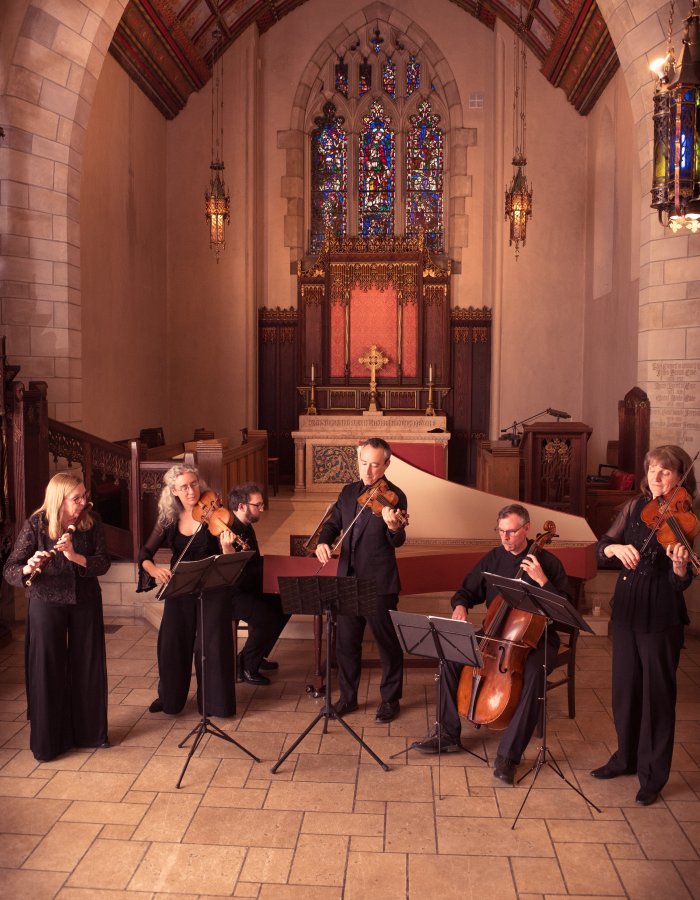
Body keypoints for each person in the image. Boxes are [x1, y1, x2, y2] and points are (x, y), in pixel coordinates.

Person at [413, 503, 573, 785]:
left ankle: (509, 756)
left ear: (526, 528)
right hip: (495, 634)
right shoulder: (493, 558)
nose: (505, 538)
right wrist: (460, 605)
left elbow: (566, 613)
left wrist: (543, 582)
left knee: (534, 673)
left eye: (511, 531)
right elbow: (465, 591)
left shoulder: (548, 563)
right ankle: (447, 734)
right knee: (450, 655)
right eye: (500, 531)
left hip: (537, 638)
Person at [590, 445, 696, 806]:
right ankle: (625, 758)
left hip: (660, 613)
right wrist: (614, 551)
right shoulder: (634, 507)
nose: (656, 476)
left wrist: (681, 568)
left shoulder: (683, 516)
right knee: (625, 690)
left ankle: (653, 775)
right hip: (627, 610)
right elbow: (600, 545)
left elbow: (680, 583)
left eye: (665, 471)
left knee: (657, 697)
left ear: (680, 477)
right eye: (652, 469)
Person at [3, 473, 110, 762]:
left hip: (84, 599)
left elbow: (103, 562)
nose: (83, 502)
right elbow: (10, 568)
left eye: (84, 496)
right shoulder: (37, 523)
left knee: (87, 664)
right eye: (76, 498)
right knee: (46, 668)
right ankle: (49, 742)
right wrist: (28, 567)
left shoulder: (91, 521)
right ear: (59, 500)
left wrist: (76, 557)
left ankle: (89, 734)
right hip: (45, 601)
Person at [315, 437, 407, 723]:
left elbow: (398, 538)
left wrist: (393, 527)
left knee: (386, 643)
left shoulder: (395, 496)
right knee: (346, 643)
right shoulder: (347, 492)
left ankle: (391, 699)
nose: (367, 471)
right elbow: (332, 524)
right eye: (363, 463)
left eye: (375, 465)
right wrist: (323, 541)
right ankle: (348, 697)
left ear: (387, 465)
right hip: (347, 580)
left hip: (378, 583)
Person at [138, 464, 238, 718]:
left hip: (213, 588)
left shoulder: (215, 513)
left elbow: (230, 559)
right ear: (173, 491)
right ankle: (170, 698)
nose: (192, 490)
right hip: (180, 587)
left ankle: (216, 703)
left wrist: (227, 548)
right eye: (184, 487)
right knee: (171, 643)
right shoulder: (168, 519)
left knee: (211, 646)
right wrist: (154, 570)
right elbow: (144, 555)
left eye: (194, 484)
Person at [228, 482, 290, 685]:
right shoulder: (229, 532)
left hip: (249, 586)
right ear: (242, 506)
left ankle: (253, 656)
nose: (262, 509)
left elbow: (253, 561)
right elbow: (236, 574)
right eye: (258, 505)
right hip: (234, 593)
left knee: (286, 603)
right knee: (267, 618)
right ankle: (247, 667)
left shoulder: (246, 526)